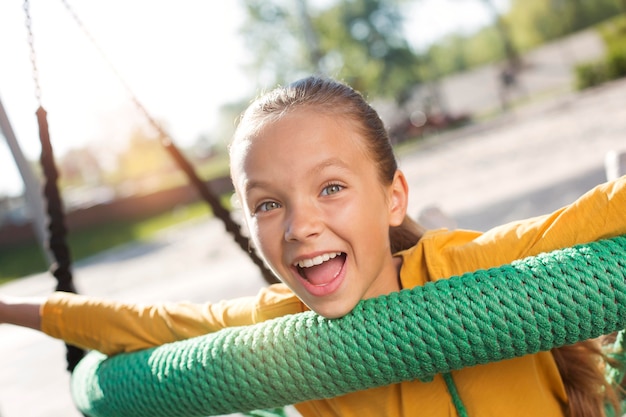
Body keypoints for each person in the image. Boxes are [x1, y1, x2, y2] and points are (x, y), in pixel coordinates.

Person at [1, 76, 625, 417]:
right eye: (268, 204)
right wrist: (14, 310)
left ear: (391, 195)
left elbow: (596, 213)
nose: (300, 225)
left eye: (331, 187)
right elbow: (151, 326)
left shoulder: (461, 270)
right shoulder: (279, 326)